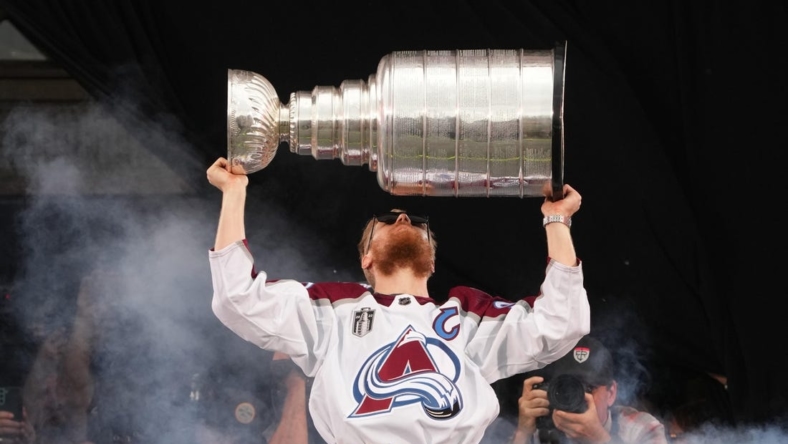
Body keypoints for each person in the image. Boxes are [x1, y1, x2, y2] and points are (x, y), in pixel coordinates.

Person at [206, 156, 590, 444]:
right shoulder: (333, 310)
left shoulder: (469, 318)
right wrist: (234, 192)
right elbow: (238, 297)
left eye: (417, 221)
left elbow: (560, 322)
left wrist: (557, 220)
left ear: (433, 261)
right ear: (366, 258)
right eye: (388, 219)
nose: (404, 218)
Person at [510, 335, 667, 444]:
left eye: (588, 388)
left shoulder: (640, 428)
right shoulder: (545, 426)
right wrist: (523, 434)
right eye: (567, 387)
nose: (576, 396)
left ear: (611, 393)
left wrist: (599, 439)